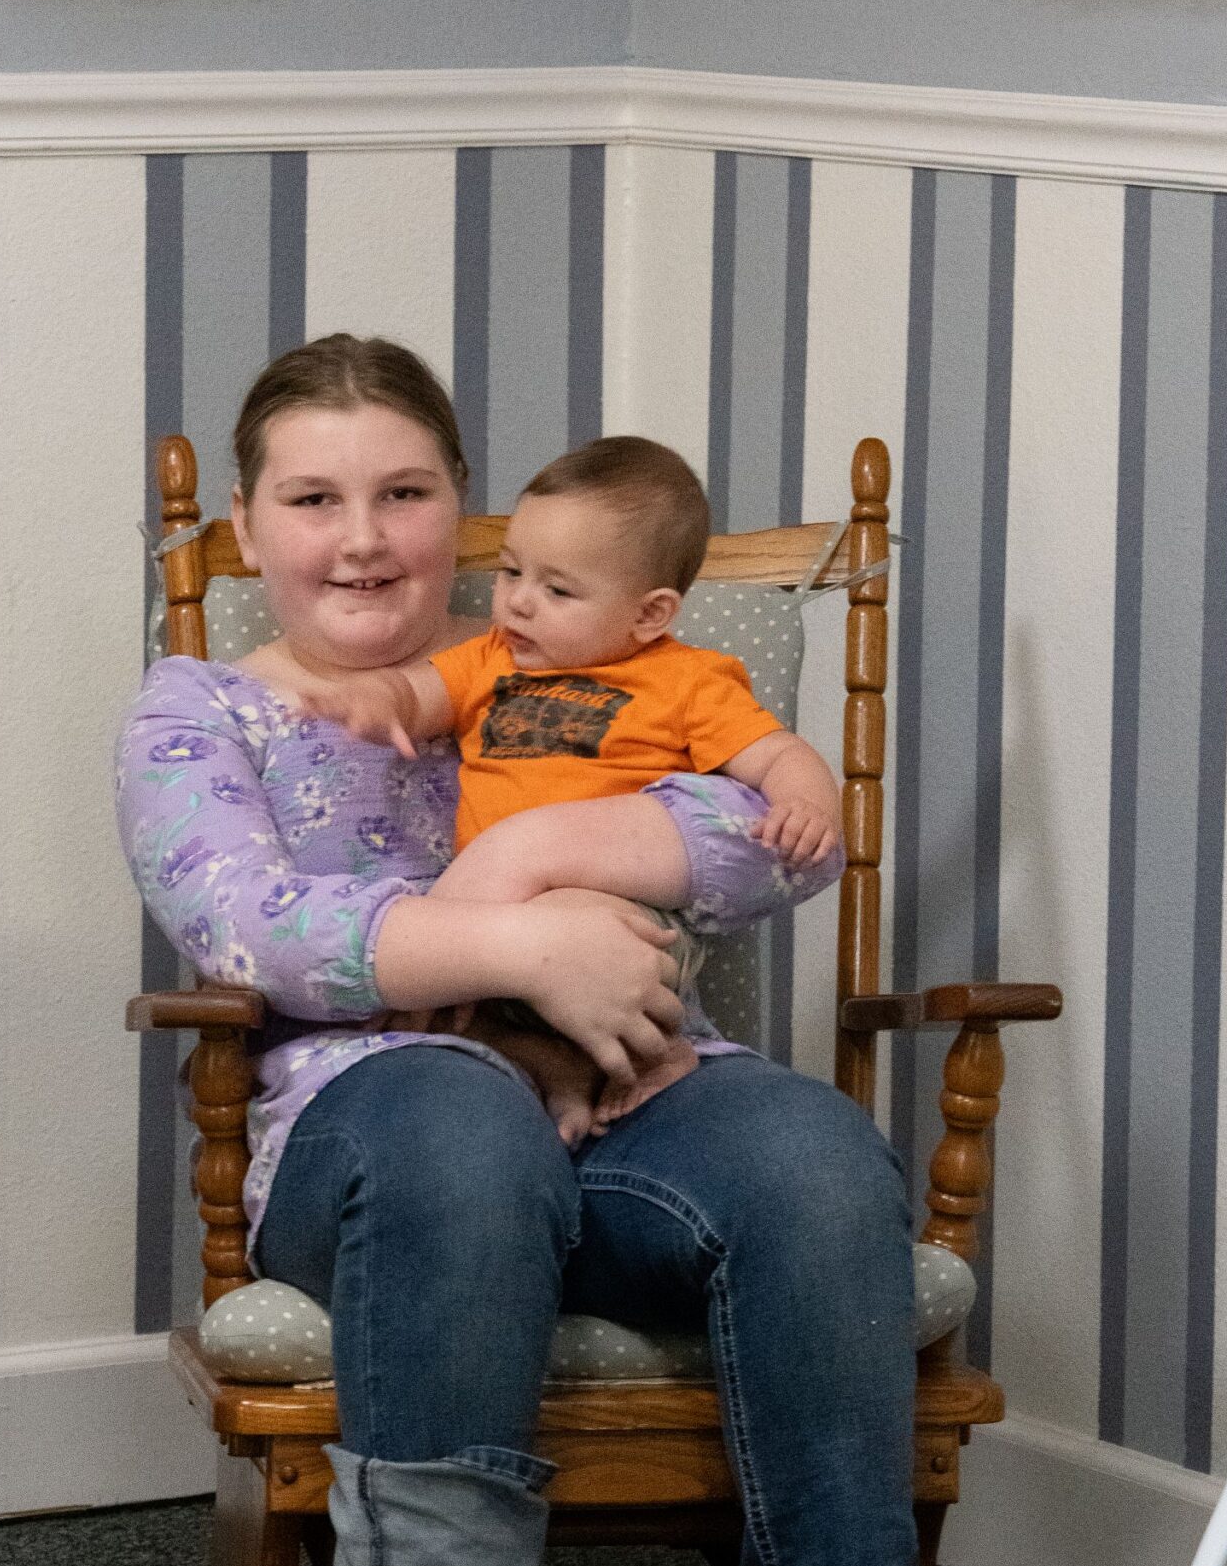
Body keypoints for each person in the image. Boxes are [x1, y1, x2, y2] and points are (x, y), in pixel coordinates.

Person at [115, 334, 926, 1566]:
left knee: (819, 1162)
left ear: (462, 513)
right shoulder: (197, 711)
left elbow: (762, 837)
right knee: (461, 1119)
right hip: (371, 1132)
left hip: (632, 1081)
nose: (360, 536)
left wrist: (540, 852)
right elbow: (251, 925)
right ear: (250, 527)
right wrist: (513, 947)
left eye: (403, 492)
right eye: (314, 496)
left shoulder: (573, 664)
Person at [296, 433, 844, 1141]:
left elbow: (775, 755)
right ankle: (562, 1073)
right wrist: (376, 702)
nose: (518, 604)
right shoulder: (494, 660)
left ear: (649, 614)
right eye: (510, 572)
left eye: (555, 589)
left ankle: (652, 1056)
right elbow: (418, 692)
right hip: (509, 930)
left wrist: (808, 801)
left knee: (569, 921)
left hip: (622, 918)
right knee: (483, 1004)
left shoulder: (687, 680)